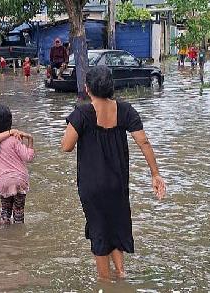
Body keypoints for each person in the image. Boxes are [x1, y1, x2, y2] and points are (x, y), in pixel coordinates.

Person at [61, 66, 167, 281]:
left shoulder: (82, 113)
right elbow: (144, 142)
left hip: (92, 185)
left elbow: (66, 146)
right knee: (115, 226)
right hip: (118, 183)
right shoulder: (126, 110)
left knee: (99, 232)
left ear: (87, 88)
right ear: (111, 87)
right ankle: (121, 273)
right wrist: (155, 174)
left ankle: (105, 282)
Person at [0, 105, 34, 224]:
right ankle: (19, 237)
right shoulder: (14, 140)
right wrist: (30, 141)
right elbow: (28, 157)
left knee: (5, 212)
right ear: (9, 122)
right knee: (19, 212)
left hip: (3, 181)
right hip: (20, 180)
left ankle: (4, 236)